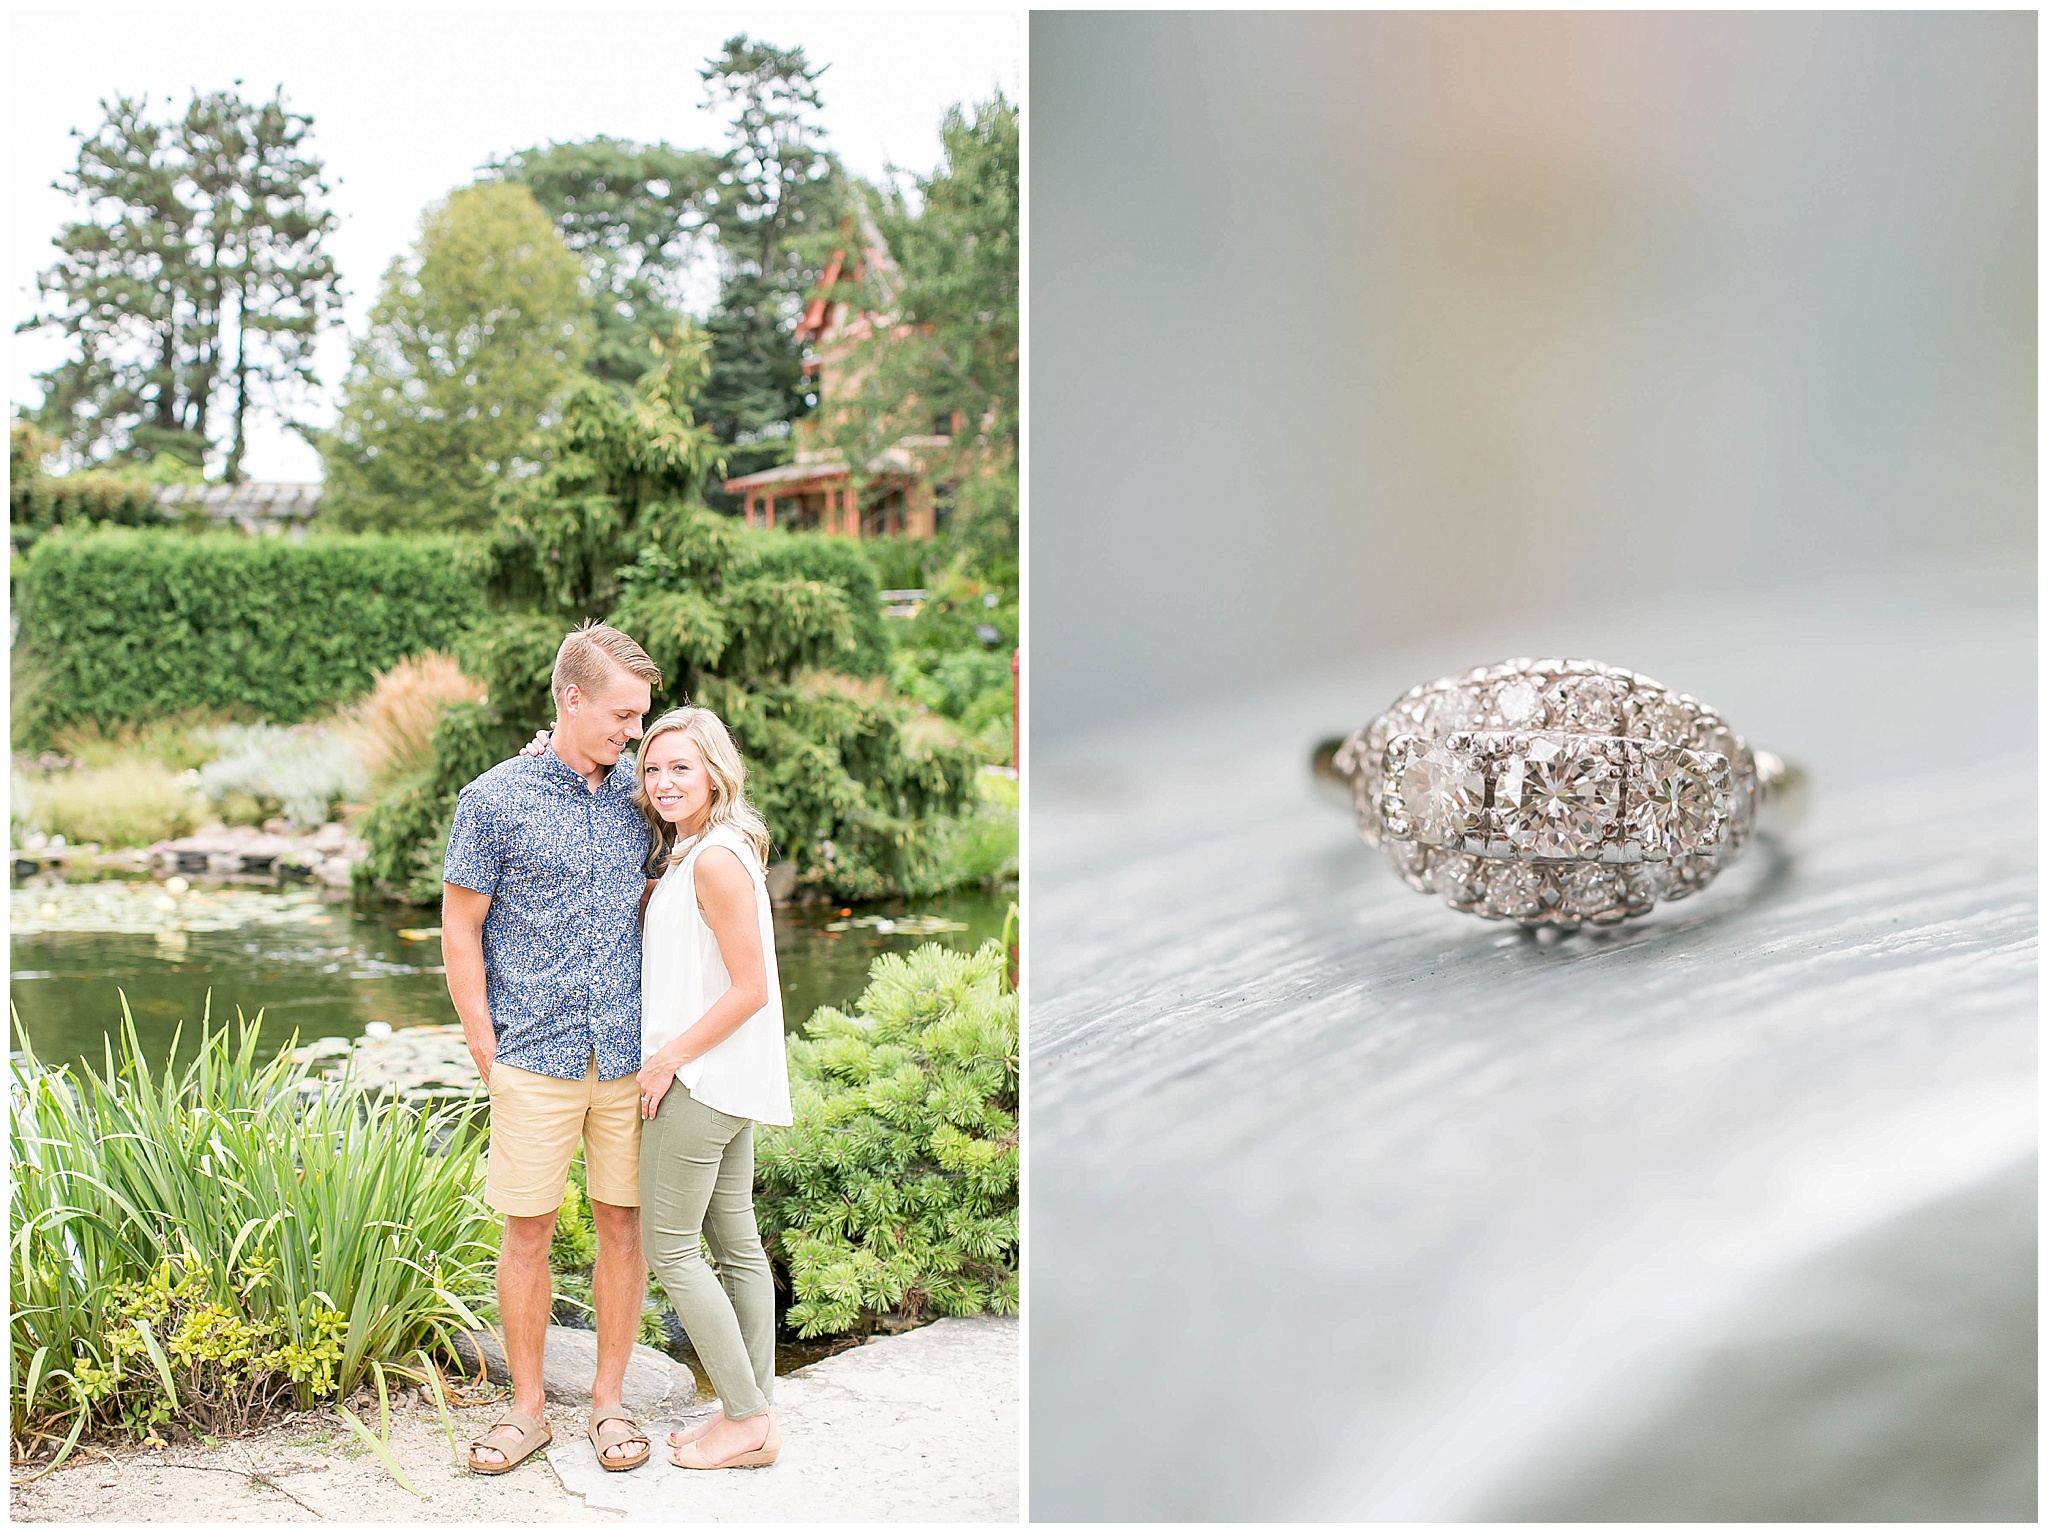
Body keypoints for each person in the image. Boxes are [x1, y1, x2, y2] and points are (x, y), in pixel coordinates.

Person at [441, 621, 663, 1477]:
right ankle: (527, 1409)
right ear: (571, 699)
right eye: (621, 713)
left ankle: (609, 1402)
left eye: (641, 714)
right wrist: (486, 1053)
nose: (634, 730)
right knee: (526, 1231)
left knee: (622, 1225)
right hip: (532, 1055)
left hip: (627, 1053)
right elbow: (461, 932)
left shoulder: (643, 795)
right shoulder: (492, 800)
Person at [631, 706, 794, 1470]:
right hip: (729, 1078)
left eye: (681, 767)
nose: (664, 781)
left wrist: (667, 1059)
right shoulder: (706, 846)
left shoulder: (715, 859)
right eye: (653, 766)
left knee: (669, 1249)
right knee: (735, 1244)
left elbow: (750, 987)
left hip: (699, 1079)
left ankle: (746, 1416)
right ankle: (750, 1411)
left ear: (715, 772)